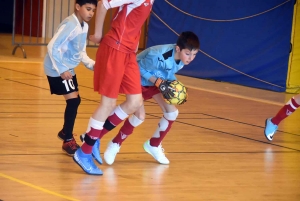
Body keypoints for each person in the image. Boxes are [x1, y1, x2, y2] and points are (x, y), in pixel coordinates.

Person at [84, 31, 200, 166]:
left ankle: (154, 144)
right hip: (137, 80)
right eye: (188, 54)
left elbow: (167, 73)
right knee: (139, 116)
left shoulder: (180, 58)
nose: (191, 58)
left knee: (172, 112)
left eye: (194, 55)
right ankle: (110, 142)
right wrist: (157, 82)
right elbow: (137, 68)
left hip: (154, 81)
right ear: (178, 48)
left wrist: (176, 87)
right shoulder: (159, 56)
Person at [73, 0, 156, 175]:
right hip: (115, 49)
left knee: (135, 102)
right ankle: (84, 152)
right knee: (108, 103)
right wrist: (97, 34)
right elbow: (103, 4)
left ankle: (94, 138)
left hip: (129, 54)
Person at [44, 0, 97, 156]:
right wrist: (61, 69)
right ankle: (68, 139)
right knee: (73, 101)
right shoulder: (70, 24)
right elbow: (52, 46)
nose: (91, 13)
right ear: (77, 7)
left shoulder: (84, 26)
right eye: (88, 9)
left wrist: (93, 65)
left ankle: (65, 132)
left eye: (93, 10)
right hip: (57, 68)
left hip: (67, 68)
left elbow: (81, 52)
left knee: (75, 100)